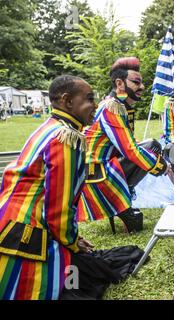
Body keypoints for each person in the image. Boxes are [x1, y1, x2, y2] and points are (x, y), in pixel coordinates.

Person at [0, 75, 97, 299]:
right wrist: (72, 242)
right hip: (27, 232)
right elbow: (58, 208)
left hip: (8, 220)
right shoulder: (66, 137)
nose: (95, 105)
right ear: (67, 101)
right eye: (89, 98)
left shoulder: (49, 127)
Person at [76, 57, 170, 233]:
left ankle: (125, 197)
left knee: (152, 145)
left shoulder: (118, 105)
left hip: (103, 165)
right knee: (150, 149)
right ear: (119, 83)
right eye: (136, 82)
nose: (141, 87)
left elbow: (127, 145)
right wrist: (162, 167)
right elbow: (130, 150)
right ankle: (122, 201)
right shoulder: (112, 107)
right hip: (97, 173)